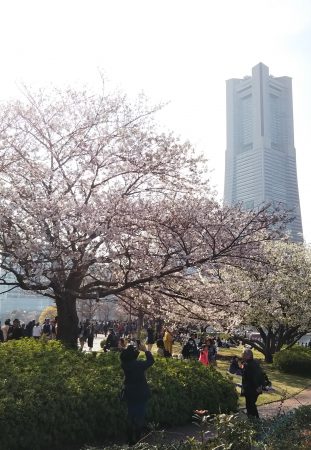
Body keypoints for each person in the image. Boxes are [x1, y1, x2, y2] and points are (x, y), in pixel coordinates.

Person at [120, 343, 154, 446]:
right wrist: (145, 350)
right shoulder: (138, 365)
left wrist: (132, 350)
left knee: (130, 416)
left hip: (129, 393)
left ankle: (129, 440)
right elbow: (151, 361)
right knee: (139, 417)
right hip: (140, 394)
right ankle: (138, 440)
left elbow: (130, 357)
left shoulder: (125, 364)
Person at [241, 349, 265, 419]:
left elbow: (253, 377)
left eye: (243, 355)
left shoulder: (248, 365)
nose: (242, 356)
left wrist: (257, 387)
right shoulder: (255, 363)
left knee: (250, 405)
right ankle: (253, 419)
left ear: (248, 356)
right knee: (251, 404)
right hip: (255, 388)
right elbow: (261, 375)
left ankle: (255, 420)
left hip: (251, 389)